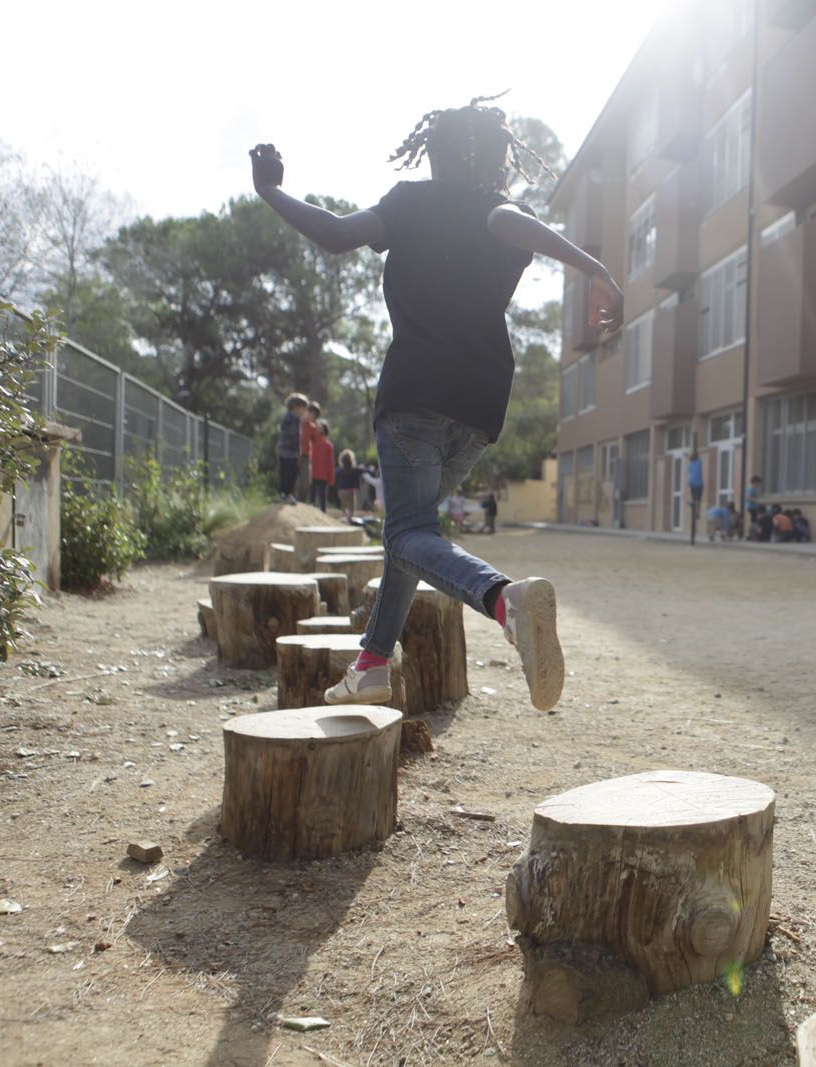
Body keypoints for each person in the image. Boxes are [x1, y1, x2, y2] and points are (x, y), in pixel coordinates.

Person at [250, 96, 621, 712]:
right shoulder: (501, 212)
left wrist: (271, 191)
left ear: (435, 154)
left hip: (416, 394)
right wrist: (596, 268)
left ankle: (503, 600)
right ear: (496, 160)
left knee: (407, 532)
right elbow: (511, 223)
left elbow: (336, 234)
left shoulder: (413, 202)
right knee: (412, 530)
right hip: (480, 405)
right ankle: (371, 665)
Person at [276, 393, 309, 502]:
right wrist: (298, 451)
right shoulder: (293, 418)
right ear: (296, 407)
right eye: (303, 408)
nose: (304, 411)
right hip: (289, 451)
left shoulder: (289, 417)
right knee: (290, 474)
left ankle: (285, 494)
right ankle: (287, 495)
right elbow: (294, 435)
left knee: (286, 473)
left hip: (285, 450)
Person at [309, 419, 335, 512]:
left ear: (324, 430)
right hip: (313, 474)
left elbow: (330, 463)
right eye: (317, 427)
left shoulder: (328, 446)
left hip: (323, 476)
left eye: (320, 427)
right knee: (312, 496)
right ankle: (310, 513)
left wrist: (331, 478)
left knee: (322, 497)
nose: (318, 429)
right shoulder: (312, 443)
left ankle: (323, 514)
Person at [298, 400, 322, 502]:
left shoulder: (312, 427)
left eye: (315, 417)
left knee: (305, 481)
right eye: (313, 415)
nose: (312, 418)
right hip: (294, 454)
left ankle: (301, 501)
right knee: (292, 478)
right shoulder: (297, 422)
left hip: (305, 456)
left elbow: (316, 440)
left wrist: (318, 429)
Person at [335, 449, 362, 521]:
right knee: (351, 507)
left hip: (341, 491)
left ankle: (344, 518)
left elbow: (334, 474)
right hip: (350, 491)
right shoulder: (354, 469)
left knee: (343, 506)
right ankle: (348, 520)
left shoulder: (339, 470)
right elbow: (364, 470)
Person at [686, 450, 704, 545]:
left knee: (694, 498)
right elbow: (699, 459)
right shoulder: (699, 462)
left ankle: (692, 504)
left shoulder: (690, 465)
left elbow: (690, 472)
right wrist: (697, 454)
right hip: (698, 483)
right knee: (698, 499)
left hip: (691, 483)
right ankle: (697, 512)